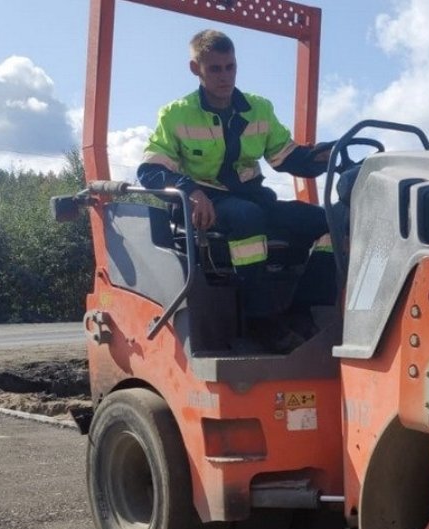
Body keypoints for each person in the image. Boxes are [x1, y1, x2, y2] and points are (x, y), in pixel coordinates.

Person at [137, 29, 334, 343]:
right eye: (215, 69)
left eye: (230, 67)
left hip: (255, 199)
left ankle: (301, 309)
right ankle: (259, 321)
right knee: (246, 217)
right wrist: (190, 191)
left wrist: (321, 157)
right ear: (195, 69)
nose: (224, 77)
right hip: (209, 203)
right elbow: (149, 171)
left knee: (329, 223)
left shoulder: (259, 110)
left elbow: (286, 157)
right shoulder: (176, 116)